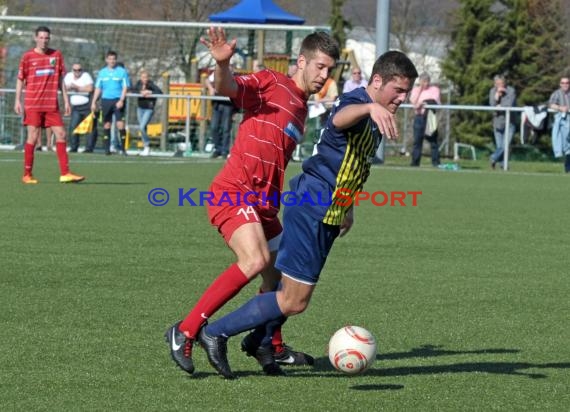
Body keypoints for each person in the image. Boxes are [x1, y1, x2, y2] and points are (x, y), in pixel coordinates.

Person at [196, 50, 418, 379]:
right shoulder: (356, 102)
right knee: (294, 300)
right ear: (376, 82)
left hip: (329, 208)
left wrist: (348, 207)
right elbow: (340, 118)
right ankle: (215, 332)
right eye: (397, 90)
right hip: (312, 204)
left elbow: (351, 163)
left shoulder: (373, 112)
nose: (403, 98)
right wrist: (371, 107)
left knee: (291, 291)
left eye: (407, 92)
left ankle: (260, 340)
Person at [165, 27, 340, 377]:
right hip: (234, 190)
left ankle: (268, 343)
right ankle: (184, 331)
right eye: (319, 67)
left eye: (329, 70)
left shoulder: (302, 108)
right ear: (301, 61)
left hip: (264, 206)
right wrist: (223, 64)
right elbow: (228, 87)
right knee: (255, 259)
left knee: (283, 283)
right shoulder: (271, 83)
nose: (324, 76)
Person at [14, 26, 85, 184]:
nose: (44, 40)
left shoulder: (56, 55)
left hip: (51, 104)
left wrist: (66, 100)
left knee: (61, 134)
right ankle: (27, 174)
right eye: (41, 37)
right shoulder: (27, 57)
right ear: (35, 38)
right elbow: (20, 79)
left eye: (47, 38)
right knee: (32, 137)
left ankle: (65, 173)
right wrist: (17, 100)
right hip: (33, 104)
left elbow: (61, 80)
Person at [91, 50, 130, 156]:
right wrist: (94, 101)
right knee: (107, 124)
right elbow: (98, 88)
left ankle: (123, 149)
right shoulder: (102, 72)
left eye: (114, 59)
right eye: (110, 59)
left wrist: (121, 100)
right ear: (106, 60)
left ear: (116, 60)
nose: (112, 61)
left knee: (120, 124)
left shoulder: (122, 71)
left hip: (117, 100)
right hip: (106, 101)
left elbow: (125, 87)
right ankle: (107, 149)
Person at [409, 72, 441, 167]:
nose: (425, 84)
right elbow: (413, 102)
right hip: (419, 117)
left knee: (433, 141)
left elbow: (434, 100)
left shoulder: (435, 89)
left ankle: (436, 162)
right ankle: (415, 162)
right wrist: (420, 91)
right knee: (417, 141)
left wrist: (423, 102)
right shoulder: (415, 90)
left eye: (427, 81)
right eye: (423, 82)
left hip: (430, 117)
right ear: (420, 82)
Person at [64, 63, 97, 153]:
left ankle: (89, 148)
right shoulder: (68, 76)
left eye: (79, 70)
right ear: (72, 70)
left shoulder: (86, 76)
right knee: (73, 127)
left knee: (90, 127)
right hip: (75, 107)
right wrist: (70, 87)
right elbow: (63, 88)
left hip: (87, 106)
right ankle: (74, 147)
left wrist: (77, 88)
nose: (77, 72)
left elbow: (90, 88)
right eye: (75, 70)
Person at [205, 65, 235, 159]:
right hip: (217, 104)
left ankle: (224, 151)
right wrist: (210, 88)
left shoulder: (234, 77)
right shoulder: (217, 74)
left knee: (226, 128)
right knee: (214, 127)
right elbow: (207, 80)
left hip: (228, 105)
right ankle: (217, 149)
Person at [131, 69, 162, 156]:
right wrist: (141, 92)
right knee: (143, 128)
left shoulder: (151, 84)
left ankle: (147, 145)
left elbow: (159, 92)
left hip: (149, 108)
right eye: (143, 77)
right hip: (140, 108)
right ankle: (145, 148)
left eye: (146, 77)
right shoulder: (138, 84)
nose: (144, 79)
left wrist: (150, 92)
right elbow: (132, 90)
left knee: (141, 127)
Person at [489, 74, 516, 169]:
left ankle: (493, 158)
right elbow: (492, 105)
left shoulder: (511, 91)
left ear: (505, 83)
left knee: (505, 145)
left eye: (501, 83)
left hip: (509, 123)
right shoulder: (492, 91)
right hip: (497, 122)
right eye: (497, 83)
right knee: (500, 146)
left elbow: (509, 104)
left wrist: (500, 106)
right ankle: (503, 166)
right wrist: (496, 97)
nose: (499, 85)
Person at [549, 76, 570, 173]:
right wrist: (560, 108)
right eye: (563, 83)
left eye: (567, 83)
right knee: (565, 146)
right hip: (563, 122)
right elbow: (551, 104)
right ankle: (567, 167)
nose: (565, 85)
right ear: (560, 84)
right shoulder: (556, 94)